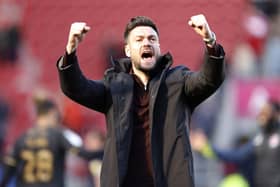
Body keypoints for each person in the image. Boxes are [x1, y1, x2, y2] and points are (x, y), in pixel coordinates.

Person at [56, 14, 225, 187]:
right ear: (128, 50)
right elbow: (77, 88)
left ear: (158, 47)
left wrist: (210, 41)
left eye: (152, 39)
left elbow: (209, 80)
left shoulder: (178, 81)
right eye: (139, 39)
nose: (146, 42)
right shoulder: (114, 85)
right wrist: (70, 51)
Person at [0, 94, 103, 187]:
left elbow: (8, 170)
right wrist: (107, 149)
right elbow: (84, 154)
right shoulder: (59, 134)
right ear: (52, 113)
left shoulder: (21, 138)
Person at [191, 99, 280, 187]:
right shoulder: (259, 139)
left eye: (267, 112)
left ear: (277, 114)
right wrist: (206, 147)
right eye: (262, 112)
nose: (262, 116)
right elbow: (236, 155)